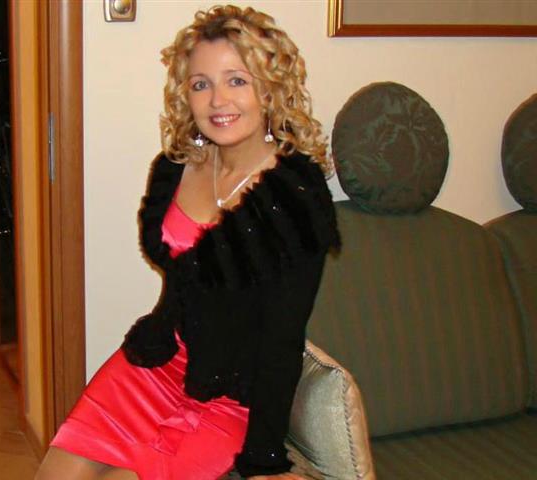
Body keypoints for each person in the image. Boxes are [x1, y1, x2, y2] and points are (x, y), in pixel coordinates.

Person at [36, 5, 340, 480]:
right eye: (201, 84)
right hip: (154, 366)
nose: (218, 100)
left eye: (237, 80)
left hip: (225, 395)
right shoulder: (176, 167)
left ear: (271, 87)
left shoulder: (296, 197)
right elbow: (183, 287)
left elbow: (282, 339)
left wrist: (264, 459)